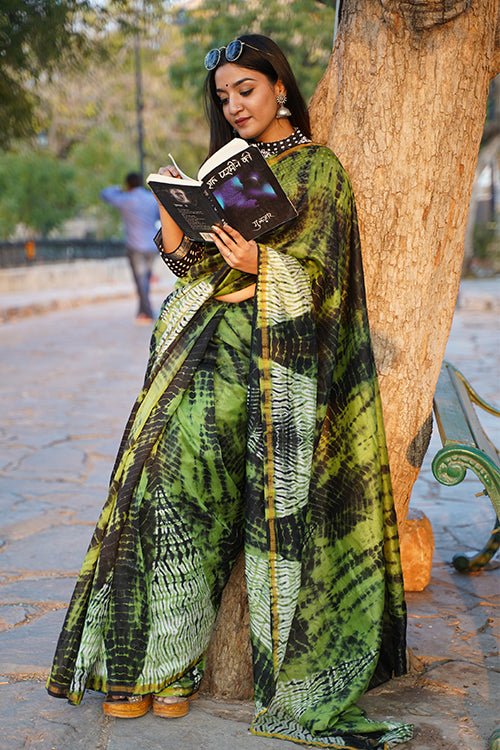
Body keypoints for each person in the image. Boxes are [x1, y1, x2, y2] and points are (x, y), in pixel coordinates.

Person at [47, 35, 414, 749]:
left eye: (246, 89)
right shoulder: (228, 172)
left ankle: (200, 673)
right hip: (199, 356)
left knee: (215, 515)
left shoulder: (320, 170)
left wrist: (265, 263)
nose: (235, 105)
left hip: (272, 376)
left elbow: (328, 278)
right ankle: (155, 671)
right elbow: (194, 272)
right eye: (223, 96)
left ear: (280, 86)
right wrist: (172, 221)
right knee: (163, 502)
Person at [101, 172, 160, 323]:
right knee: (144, 278)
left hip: (136, 246)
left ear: (128, 184)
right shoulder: (151, 199)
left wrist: (119, 188)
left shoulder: (125, 199)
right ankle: (142, 311)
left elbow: (105, 194)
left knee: (141, 280)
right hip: (152, 245)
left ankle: (147, 312)